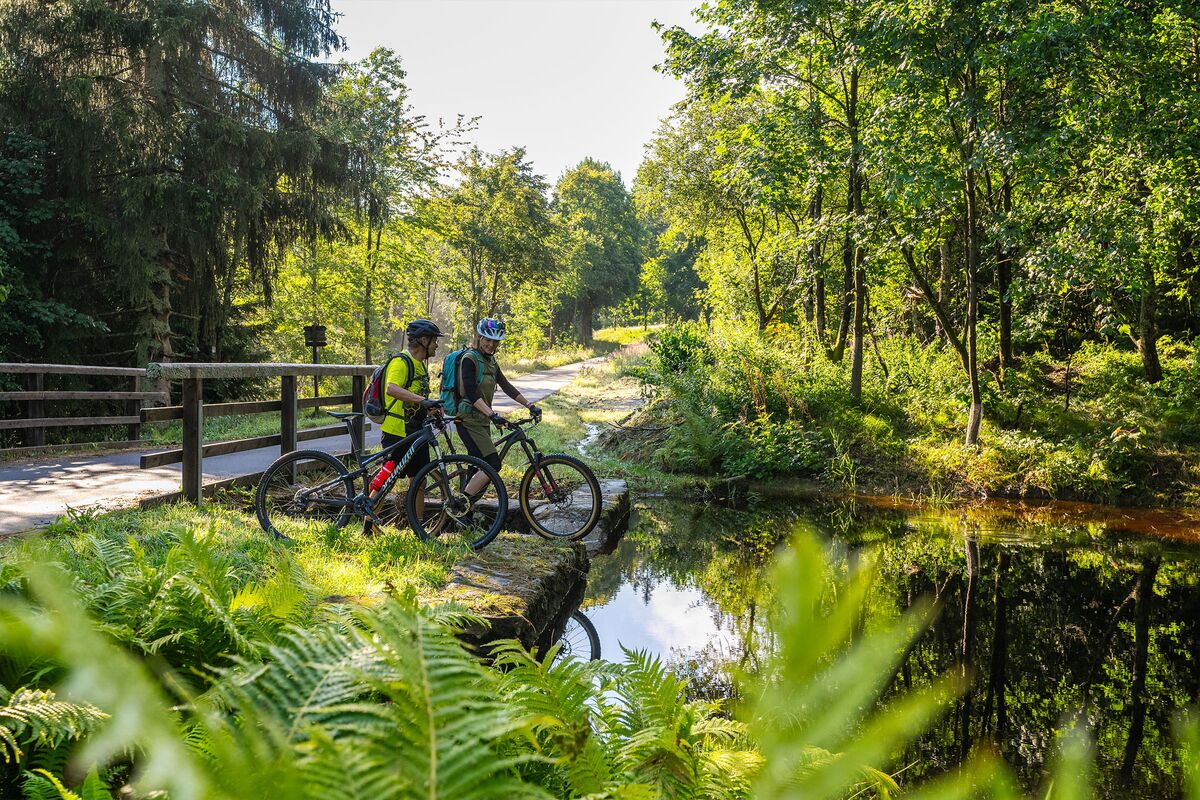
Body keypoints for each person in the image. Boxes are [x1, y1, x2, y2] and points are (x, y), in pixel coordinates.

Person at [455, 318, 541, 493]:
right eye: (487, 339)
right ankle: (459, 507)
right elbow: (471, 393)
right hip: (467, 420)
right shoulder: (469, 359)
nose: (491, 344)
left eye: (495, 341)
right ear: (479, 337)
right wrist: (492, 414)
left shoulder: (491, 362)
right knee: (492, 465)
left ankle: (465, 512)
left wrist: (529, 405)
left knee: (476, 466)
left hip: (481, 420)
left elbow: (506, 386)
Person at [378, 318, 446, 480]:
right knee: (387, 482)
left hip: (417, 431)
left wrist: (431, 409)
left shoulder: (420, 364)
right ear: (424, 340)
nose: (437, 344)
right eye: (434, 340)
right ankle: (369, 506)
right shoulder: (401, 362)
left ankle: (412, 507)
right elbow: (391, 388)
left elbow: (413, 398)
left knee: (419, 482)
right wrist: (423, 401)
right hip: (397, 432)